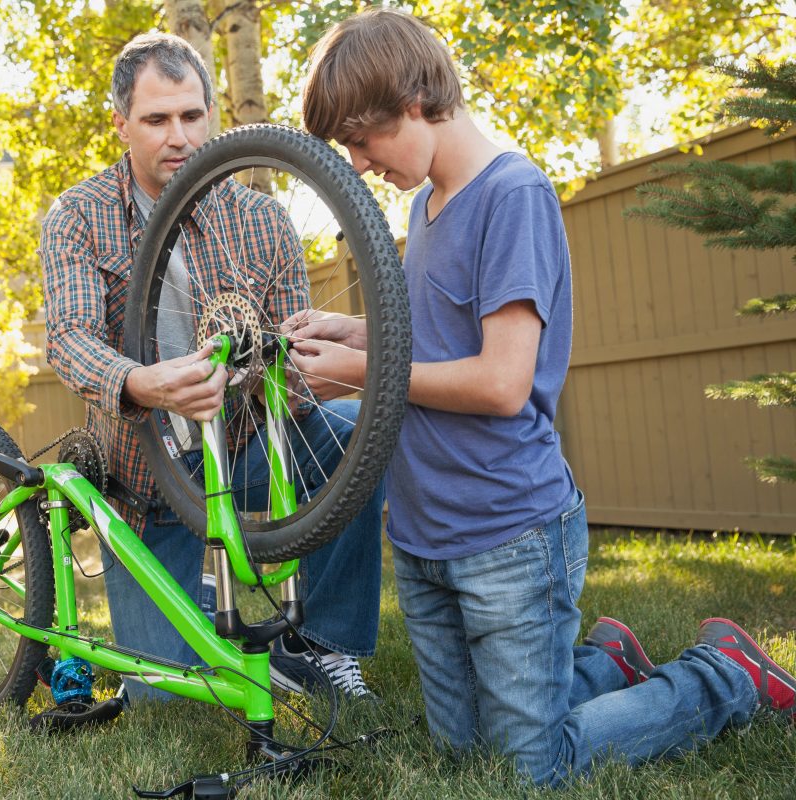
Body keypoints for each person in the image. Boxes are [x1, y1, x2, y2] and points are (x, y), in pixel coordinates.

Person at [287, 7, 795, 786]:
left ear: (413, 103)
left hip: (507, 533)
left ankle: (722, 675)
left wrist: (364, 371)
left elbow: (499, 382)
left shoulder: (512, 194)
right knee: (466, 755)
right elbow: (436, 344)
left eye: (362, 140)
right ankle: (605, 664)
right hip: (425, 535)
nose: (357, 164)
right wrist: (353, 331)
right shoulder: (426, 205)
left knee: (533, 769)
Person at [38, 32, 384, 704]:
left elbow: (293, 364)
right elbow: (70, 340)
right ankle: (195, 594)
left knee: (356, 438)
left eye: (192, 116)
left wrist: (292, 365)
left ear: (212, 116)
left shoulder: (263, 220)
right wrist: (142, 384)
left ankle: (322, 643)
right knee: (165, 695)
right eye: (156, 119)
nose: (179, 137)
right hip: (144, 483)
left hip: (246, 448)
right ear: (121, 124)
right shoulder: (78, 216)